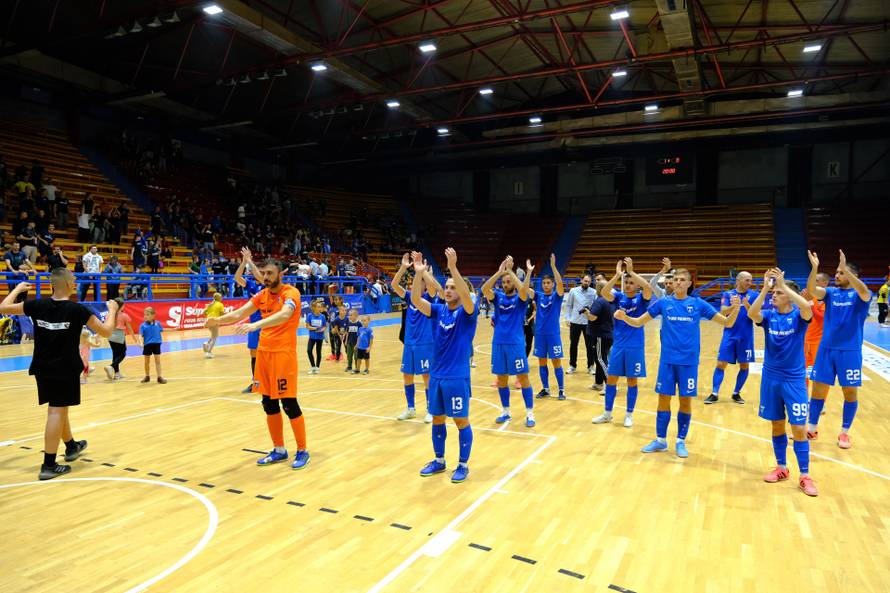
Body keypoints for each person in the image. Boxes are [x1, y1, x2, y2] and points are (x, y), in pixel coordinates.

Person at [0, 270, 118, 480]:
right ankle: (49, 464)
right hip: (65, 368)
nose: (75, 282)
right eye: (73, 280)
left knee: (59, 408)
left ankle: (71, 446)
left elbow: (3, 307)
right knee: (56, 411)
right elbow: (107, 331)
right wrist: (113, 309)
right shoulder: (77, 310)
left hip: (42, 367)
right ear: (66, 283)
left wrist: (17, 289)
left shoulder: (36, 305)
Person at [615, 268, 741, 458]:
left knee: (685, 400)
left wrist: (737, 308)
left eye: (682, 279)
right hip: (667, 361)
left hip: (688, 362)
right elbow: (639, 322)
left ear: (690, 283)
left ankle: (680, 441)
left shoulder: (698, 304)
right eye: (675, 279)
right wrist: (625, 318)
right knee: (663, 399)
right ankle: (661, 440)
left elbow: (727, 323)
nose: (678, 282)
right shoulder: (664, 303)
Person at [205, 258, 310, 470]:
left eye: (270, 273)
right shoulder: (261, 295)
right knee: (268, 404)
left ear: (280, 274)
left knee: (289, 404)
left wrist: (256, 325)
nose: (266, 277)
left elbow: (285, 315)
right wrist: (217, 321)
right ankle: (279, 449)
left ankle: (302, 450)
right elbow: (238, 313)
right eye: (263, 273)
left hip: (283, 356)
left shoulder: (291, 294)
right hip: (264, 355)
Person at [748, 269, 818, 496]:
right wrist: (766, 288)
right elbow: (752, 313)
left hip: (794, 379)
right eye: (774, 293)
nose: (773, 296)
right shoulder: (769, 316)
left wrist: (784, 285)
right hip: (771, 377)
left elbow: (807, 307)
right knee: (777, 425)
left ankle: (805, 475)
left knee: (798, 428)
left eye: (778, 293)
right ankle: (781, 468)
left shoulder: (799, 316)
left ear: (789, 295)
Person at [409, 248, 477, 483]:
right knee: (437, 418)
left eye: (452, 287)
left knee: (460, 421)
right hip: (437, 376)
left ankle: (463, 464)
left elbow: (467, 298)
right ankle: (439, 461)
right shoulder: (438, 311)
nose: (448, 290)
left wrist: (454, 268)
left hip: (457, 377)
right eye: (446, 287)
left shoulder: (468, 313)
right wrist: (419, 273)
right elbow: (416, 300)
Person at [805, 250, 872, 449]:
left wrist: (846, 269)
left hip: (849, 351)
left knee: (850, 393)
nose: (837, 275)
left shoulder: (861, 294)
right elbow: (811, 289)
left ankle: (844, 433)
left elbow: (864, 291)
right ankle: (812, 428)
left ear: (852, 275)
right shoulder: (832, 293)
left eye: (841, 272)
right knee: (817, 391)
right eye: (836, 272)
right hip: (826, 350)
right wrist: (815, 267)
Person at [591, 258, 652, 427]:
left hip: (635, 347)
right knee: (611, 380)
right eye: (626, 282)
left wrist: (631, 272)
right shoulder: (618, 297)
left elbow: (647, 287)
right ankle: (607, 413)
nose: (628, 284)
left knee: (632, 381)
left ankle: (629, 415)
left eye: (631, 282)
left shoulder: (642, 299)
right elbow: (604, 293)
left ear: (637, 285)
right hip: (618, 346)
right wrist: (618, 275)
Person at [482, 256, 536, 428]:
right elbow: (484, 289)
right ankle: (506, 411)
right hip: (498, 343)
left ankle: (530, 413)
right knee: (502, 380)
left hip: (516, 344)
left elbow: (523, 290)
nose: (505, 284)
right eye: (503, 282)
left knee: (523, 378)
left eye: (508, 282)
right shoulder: (498, 297)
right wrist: (500, 272)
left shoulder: (521, 299)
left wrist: (511, 272)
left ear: (513, 282)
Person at [390, 253, 441, 423]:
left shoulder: (428, 298)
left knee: (426, 377)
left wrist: (422, 270)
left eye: (418, 283)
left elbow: (434, 287)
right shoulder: (409, 298)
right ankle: (411, 408)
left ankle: (430, 409)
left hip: (425, 343)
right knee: (407, 376)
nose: (414, 286)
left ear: (424, 287)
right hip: (410, 343)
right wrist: (404, 267)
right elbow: (394, 284)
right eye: (413, 283)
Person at [705, 271, 757, 405]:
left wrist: (746, 305)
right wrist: (734, 306)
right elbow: (723, 311)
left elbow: (756, 315)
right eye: (747, 280)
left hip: (746, 336)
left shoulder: (754, 295)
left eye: (751, 280)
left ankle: (736, 393)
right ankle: (714, 393)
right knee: (721, 363)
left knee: (744, 365)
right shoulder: (728, 294)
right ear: (738, 280)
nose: (749, 283)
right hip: (729, 334)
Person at [531, 254, 566, 400]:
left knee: (556, 362)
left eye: (548, 283)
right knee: (542, 362)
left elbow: (560, 284)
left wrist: (553, 266)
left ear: (552, 284)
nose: (545, 285)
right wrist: (527, 273)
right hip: (539, 334)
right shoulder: (538, 296)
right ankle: (545, 388)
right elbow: (524, 289)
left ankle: (561, 390)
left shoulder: (557, 296)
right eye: (544, 283)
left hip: (553, 334)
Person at [584, 279, 615, 394]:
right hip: (608, 334)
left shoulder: (600, 301)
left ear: (600, 289)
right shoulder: (611, 300)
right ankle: (598, 383)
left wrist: (586, 312)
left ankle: (610, 385)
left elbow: (592, 317)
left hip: (600, 335)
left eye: (597, 287)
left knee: (601, 359)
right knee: (600, 359)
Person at [562, 274, 596, 375]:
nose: (586, 283)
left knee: (590, 346)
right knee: (573, 345)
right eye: (585, 281)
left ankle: (591, 366)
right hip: (575, 322)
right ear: (581, 280)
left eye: (589, 282)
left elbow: (595, 306)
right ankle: (572, 366)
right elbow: (568, 306)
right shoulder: (573, 291)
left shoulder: (593, 292)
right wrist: (567, 318)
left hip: (588, 323)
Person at [803, 273, 830, 392]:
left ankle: (820, 401)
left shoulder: (828, 299)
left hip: (819, 343)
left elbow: (822, 318)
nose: (813, 283)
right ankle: (803, 397)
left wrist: (811, 305)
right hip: (805, 340)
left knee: (820, 374)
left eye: (817, 280)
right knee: (804, 372)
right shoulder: (812, 298)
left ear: (825, 283)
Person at [104, 298, 136, 381]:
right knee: (123, 354)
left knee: (115, 354)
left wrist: (98, 335)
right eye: (123, 305)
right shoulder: (124, 315)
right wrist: (134, 337)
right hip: (119, 335)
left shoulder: (109, 315)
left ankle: (117, 374)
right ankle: (111, 366)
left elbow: (105, 325)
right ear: (120, 306)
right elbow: (129, 327)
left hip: (110, 336)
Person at [139, 307, 167, 383]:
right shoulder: (143, 325)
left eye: (147, 315)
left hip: (156, 344)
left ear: (153, 315)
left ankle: (159, 377)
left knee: (157, 361)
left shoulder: (158, 323)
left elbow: (162, 330)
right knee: (146, 362)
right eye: (145, 315)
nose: (145, 316)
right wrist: (141, 342)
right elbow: (140, 335)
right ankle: (147, 376)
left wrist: (173, 329)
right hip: (147, 345)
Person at [305, 300, 327, 374]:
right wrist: (315, 328)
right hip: (312, 337)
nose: (320, 308)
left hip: (319, 337)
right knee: (309, 350)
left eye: (320, 307)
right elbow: (307, 326)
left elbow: (324, 326)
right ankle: (313, 367)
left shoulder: (322, 316)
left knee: (318, 352)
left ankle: (317, 367)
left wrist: (322, 330)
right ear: (314, 308)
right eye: (318, 307)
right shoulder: (310, 316)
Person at [203, 293, 225, 359]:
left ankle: (206, 343)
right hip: (214, 321)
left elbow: (204, 313)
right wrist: (220, 321)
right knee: (215, 337)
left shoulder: (210, 304)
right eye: (221, 297)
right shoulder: (220, 305)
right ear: (218, 298)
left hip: (208, 321)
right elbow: (222, 314)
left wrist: (209, 316)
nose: (222, 298)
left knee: (213, 335)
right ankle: (208, 352)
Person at [343, 308, 362, 373]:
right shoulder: (349, 323)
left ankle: (357, 368)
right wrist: (346, 341)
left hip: (356, 343)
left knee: (356, 356)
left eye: (351, 315)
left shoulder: (359, 324)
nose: (349, 316)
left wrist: (358, 343)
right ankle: (349, 366)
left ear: (356, 316)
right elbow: (347, 332)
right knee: (349, 355)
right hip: (349, 342)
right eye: (349, 315)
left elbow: (360, 335)